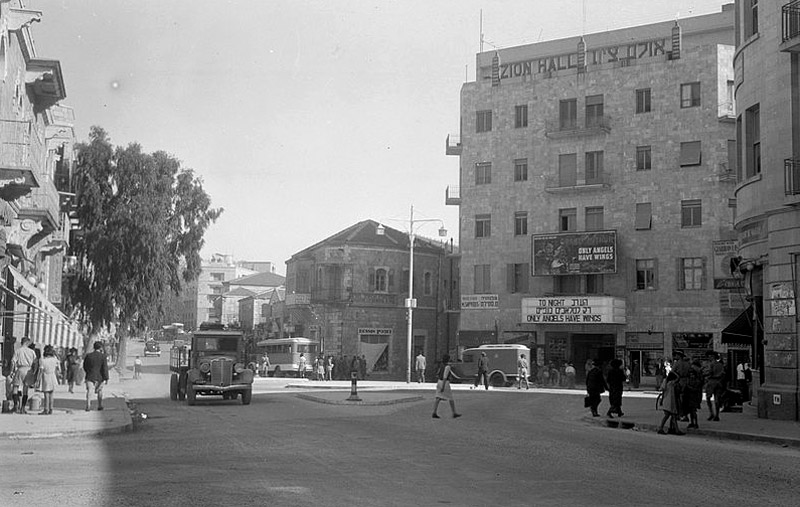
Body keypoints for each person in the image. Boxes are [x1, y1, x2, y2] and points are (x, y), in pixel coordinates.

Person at [10, 337, 37, 414]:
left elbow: (13, 362)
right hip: (28, 370)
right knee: (25, 390)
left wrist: (12, 371)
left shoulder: (18, 351)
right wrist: (34, 371)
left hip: (20, 369)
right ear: (27, 342)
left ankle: (16, 405)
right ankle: (23, 408)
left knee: (15, 388)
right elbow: (35, 362)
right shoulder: (31, 352)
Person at [432, 355, 461, 419]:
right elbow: (445, 377)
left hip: (439, 381)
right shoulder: (447, 367)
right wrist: (443, 386)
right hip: (445, 383)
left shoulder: (441, 365)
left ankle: (434, 412)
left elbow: (438, 373)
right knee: (450, 398)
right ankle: (454, 413)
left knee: (438, 397)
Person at [83, 341, 109, 411]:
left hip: (90, 376)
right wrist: (106, 378)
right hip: (99, 377)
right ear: (100, 347)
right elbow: (105, 368)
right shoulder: (103, 356)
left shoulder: (88, 356)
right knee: (100, 391)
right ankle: (100, 405)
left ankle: (88, 405)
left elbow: (85, 366)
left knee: (89, 391)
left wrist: (88, 372)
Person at [657, 371, 685, 435]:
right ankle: (674, 430)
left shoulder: (665, 382)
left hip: (666, 400)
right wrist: (673, 372)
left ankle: (664, 428)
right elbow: (678, 378)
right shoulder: (671, 383)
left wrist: (661, 401)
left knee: (669, 416)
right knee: (671, 416)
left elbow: (663, 392)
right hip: (671, 401)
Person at [37, 345, 60, 415]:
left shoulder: (42, 360)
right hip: (53, 376)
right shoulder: (54, 359)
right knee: (52, 394)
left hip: (46, 376)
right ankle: (51, 409)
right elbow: (57, 369)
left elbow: (41, 371)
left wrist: (38, 380)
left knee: (46, 394)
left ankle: (46, 409)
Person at [684, 359, 704, 429]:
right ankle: (692, 422)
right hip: (690, 397)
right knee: (691, 411)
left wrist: (689, 387)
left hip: (695, 397)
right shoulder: (689, 380)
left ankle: (695, 423)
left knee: (693, 411)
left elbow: (696, 388)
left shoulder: (697, 380)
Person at [704, 353, 725, 421]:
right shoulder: (721, 365)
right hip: (719, 382)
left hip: (711, 381)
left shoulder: (711, 364)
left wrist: (704, 374)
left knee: (708, 398)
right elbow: (723, 373)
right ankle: (717, 414)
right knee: (717, 399)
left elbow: (710, 372)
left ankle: (711, 413)